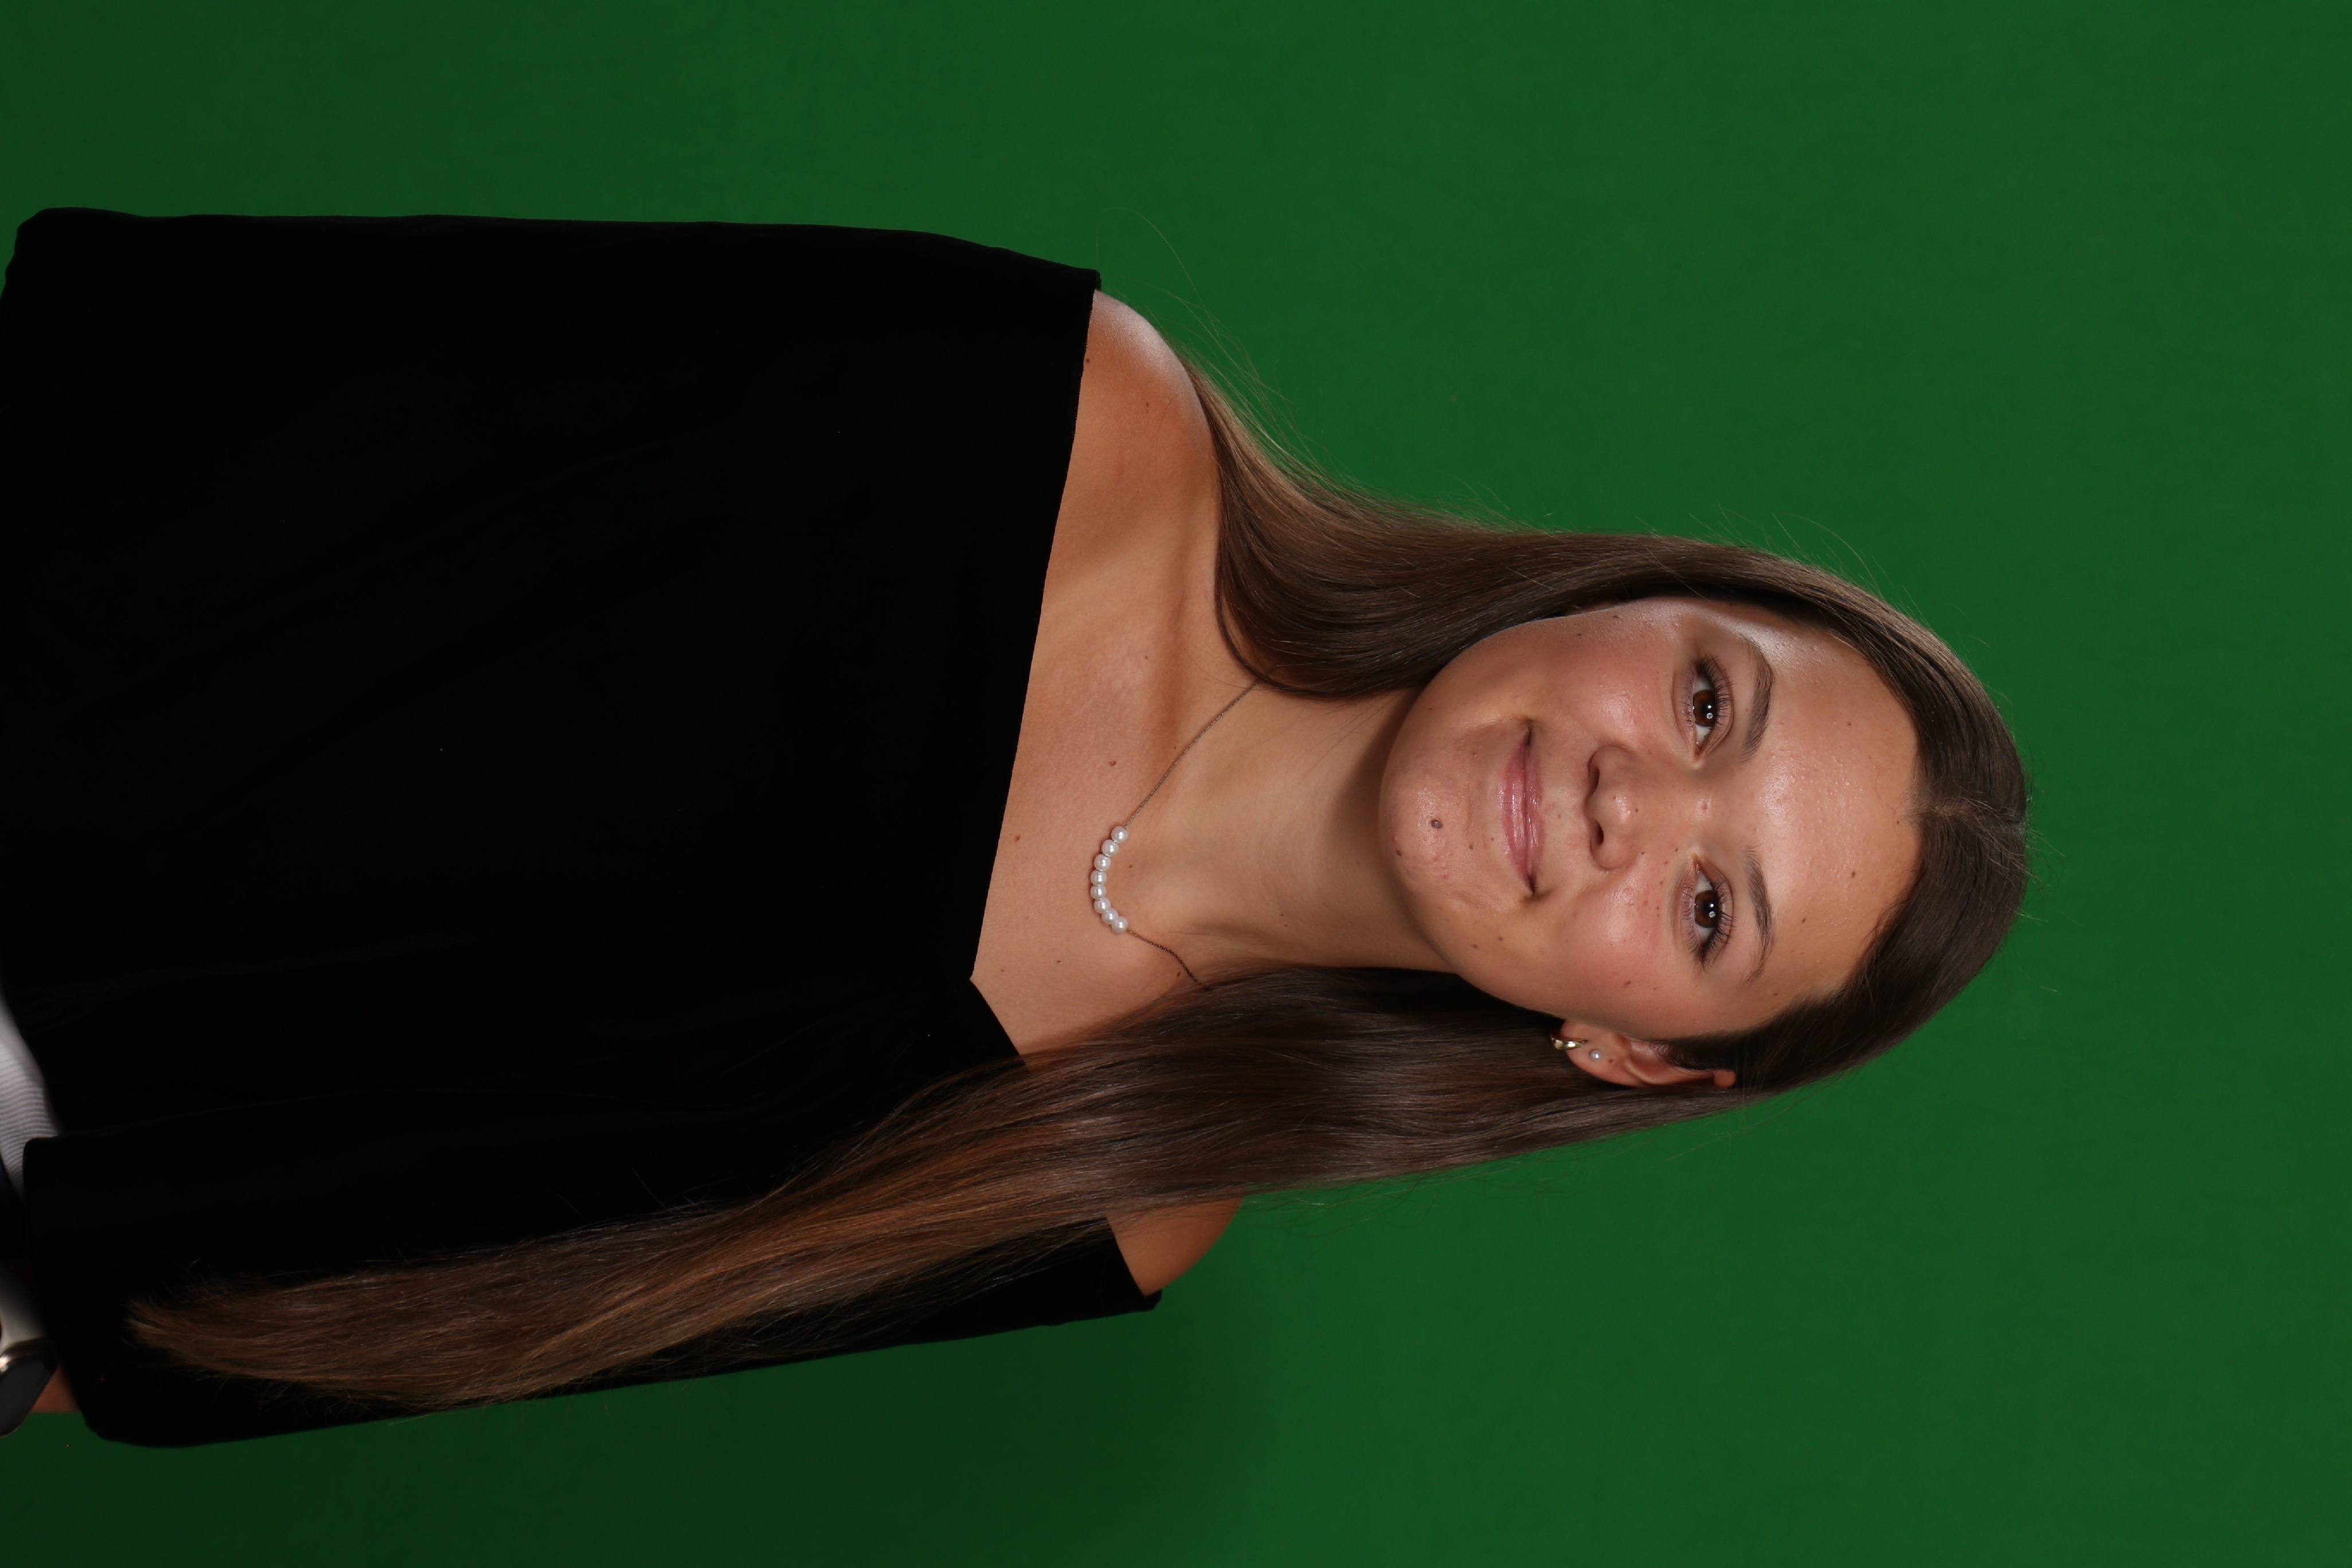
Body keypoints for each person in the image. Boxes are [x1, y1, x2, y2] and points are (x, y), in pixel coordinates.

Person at [0, 209, 2027, 1447]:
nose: (1624, 800)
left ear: (1633, 1051)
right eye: (1706, 703)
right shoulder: (1062, 417)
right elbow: (299, 389)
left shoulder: (1125, 1204)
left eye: (1709, 907)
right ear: (1631, 595)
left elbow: (401, 1320)